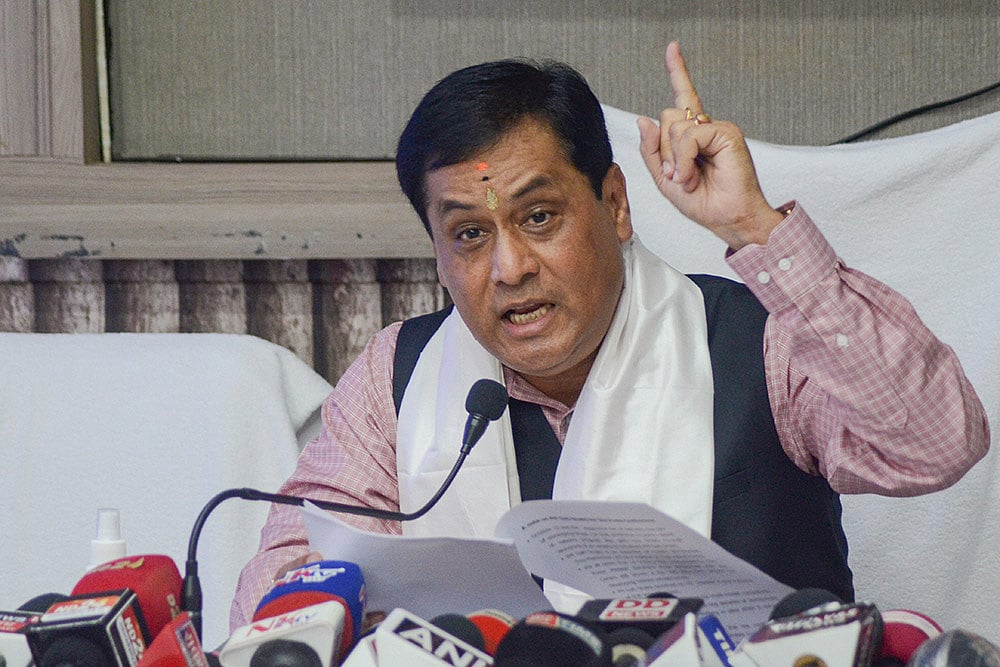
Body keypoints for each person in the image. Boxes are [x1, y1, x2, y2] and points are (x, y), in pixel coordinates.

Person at [230, 42, 989, 628]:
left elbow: (937, 443)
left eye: (539, 217)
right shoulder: (398, 376)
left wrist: (754, 226)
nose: (510, 268)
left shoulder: (760, 339)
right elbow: (287, 577)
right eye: (469, 234)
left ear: (617, 204)